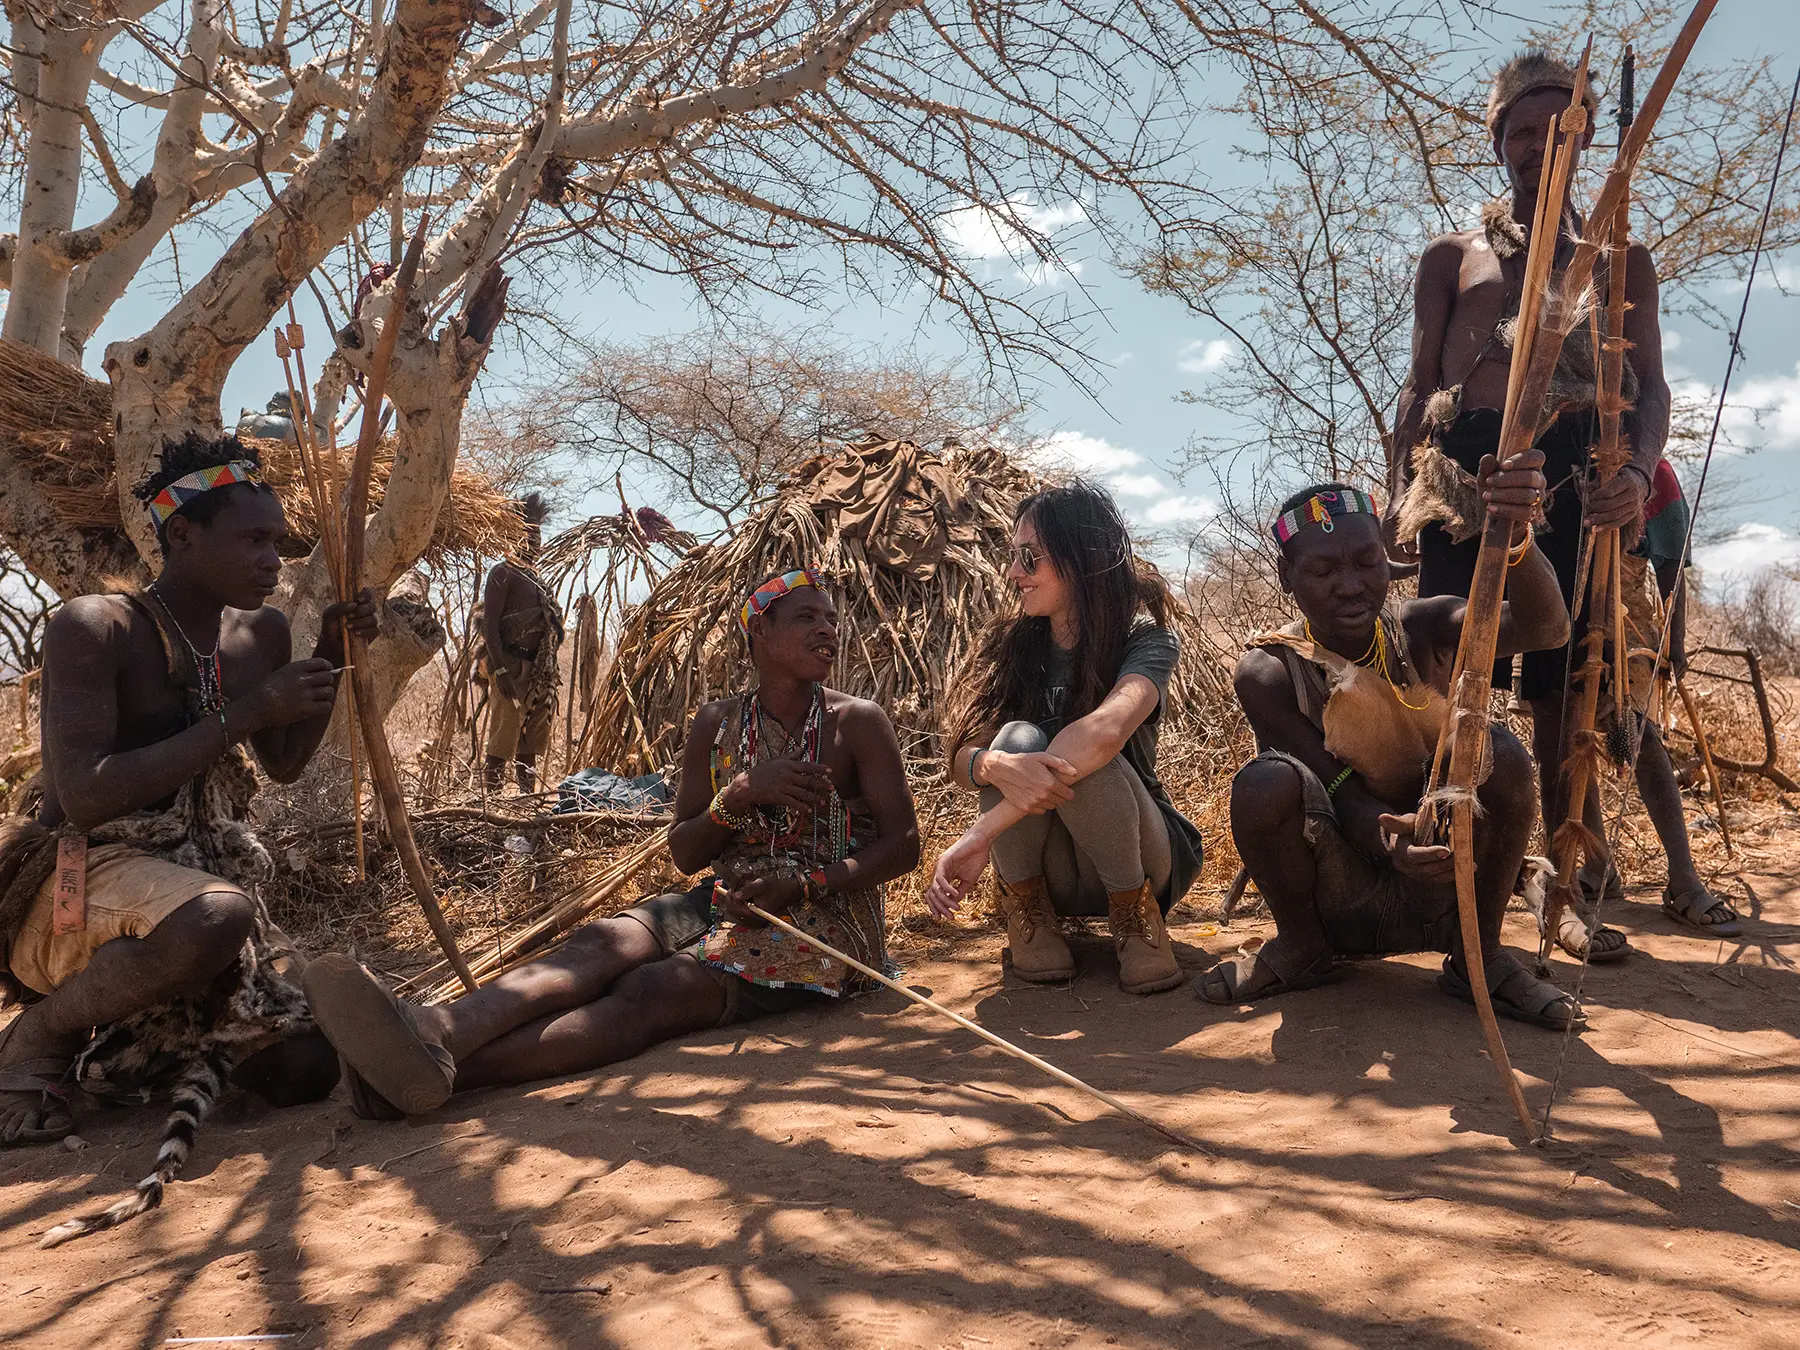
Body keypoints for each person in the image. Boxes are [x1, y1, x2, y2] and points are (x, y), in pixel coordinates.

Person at [302, 567, 920, 1116]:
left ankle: (425, 1079)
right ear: (759, 629)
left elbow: (904, 846)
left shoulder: (856, 724)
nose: (827, 630)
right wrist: (737, 796)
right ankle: (436, 1028)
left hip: (826, 922)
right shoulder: (717, 724)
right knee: (602, 944)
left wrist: (805, 884)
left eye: (831, 620)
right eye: (807, 617)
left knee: (652, 991)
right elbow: (686, 854)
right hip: (723, 899)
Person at [0, 433, 377, 1145]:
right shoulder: (98, 627)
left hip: (194, 880)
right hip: (81, 883)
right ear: (183, 535)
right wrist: (247, 712)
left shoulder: (261, 634)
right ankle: (41, 1034)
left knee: (303, 1070)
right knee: (215, 917)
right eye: (253, 540)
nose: (272, 560)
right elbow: (84, 798)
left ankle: (133, 1051)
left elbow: (284, 762)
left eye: (277, 542)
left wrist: (331, 652)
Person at [1385, 49, 1674, 963]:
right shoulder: (1453, 258)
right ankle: (1444, 868)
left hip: (1577, 472)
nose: (1541, 144)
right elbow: (1419, 385)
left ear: (1584, 138)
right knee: (1446, 670)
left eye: (1561, 127)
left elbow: (1652, 390)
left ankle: (1563, 883)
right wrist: (1399, 499)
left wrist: (1637, 475)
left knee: (1564, 687)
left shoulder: (1620, 261)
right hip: (1465, 474)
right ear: (1497, 139)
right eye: (1522, 129)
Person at [1210, 459, 1585, 1029]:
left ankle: (1479, 956)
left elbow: (1547, 628)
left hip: (1444, 889)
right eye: (1322, 570)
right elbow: (1334, 786)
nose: (1350, 584)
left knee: (1501, 752)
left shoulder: (1425, 629)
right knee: (1264, 784)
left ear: (1385, 559)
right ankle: (1302, 948)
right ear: (1286, 576)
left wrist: (1516, 537)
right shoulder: (1268, 672)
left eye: (1366, 561)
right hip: (1341, 898)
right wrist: (1390, 841)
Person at [924, 483, 1203, 995]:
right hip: (1049, 866)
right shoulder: (1013, 643)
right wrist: (993, 765)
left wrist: (979, 835)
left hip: (1137, 859)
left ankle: (1135, 920)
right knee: (1015, 741)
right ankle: (1029, 912)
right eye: (1014, 557)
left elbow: (1107, 730)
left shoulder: (1146, 638)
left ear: (1081, 558)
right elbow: (961, 757)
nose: (1014, 573)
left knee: (1088, 752)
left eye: (1029, 558)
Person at [1532, 459, 1740, 953]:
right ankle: (1593, 870)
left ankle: (1683, 880)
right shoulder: (1549, 455)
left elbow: (1671, 563)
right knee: (1563, 745)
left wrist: (1674, 640)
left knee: (1640, 740)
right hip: (1550, 610)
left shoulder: (1651, 472)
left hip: (1623, 622)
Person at [480, 492, 563, 793]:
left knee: (529, 744)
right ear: (514, 536)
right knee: (502, 742)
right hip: (511, 668)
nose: (535, 542)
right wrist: (501, 671)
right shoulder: (503, 573)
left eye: (538, 535)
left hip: (539, 672)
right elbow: (489, 625)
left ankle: (527, 804)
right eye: (529, 534)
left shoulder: (537, 580)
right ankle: (493, 803)